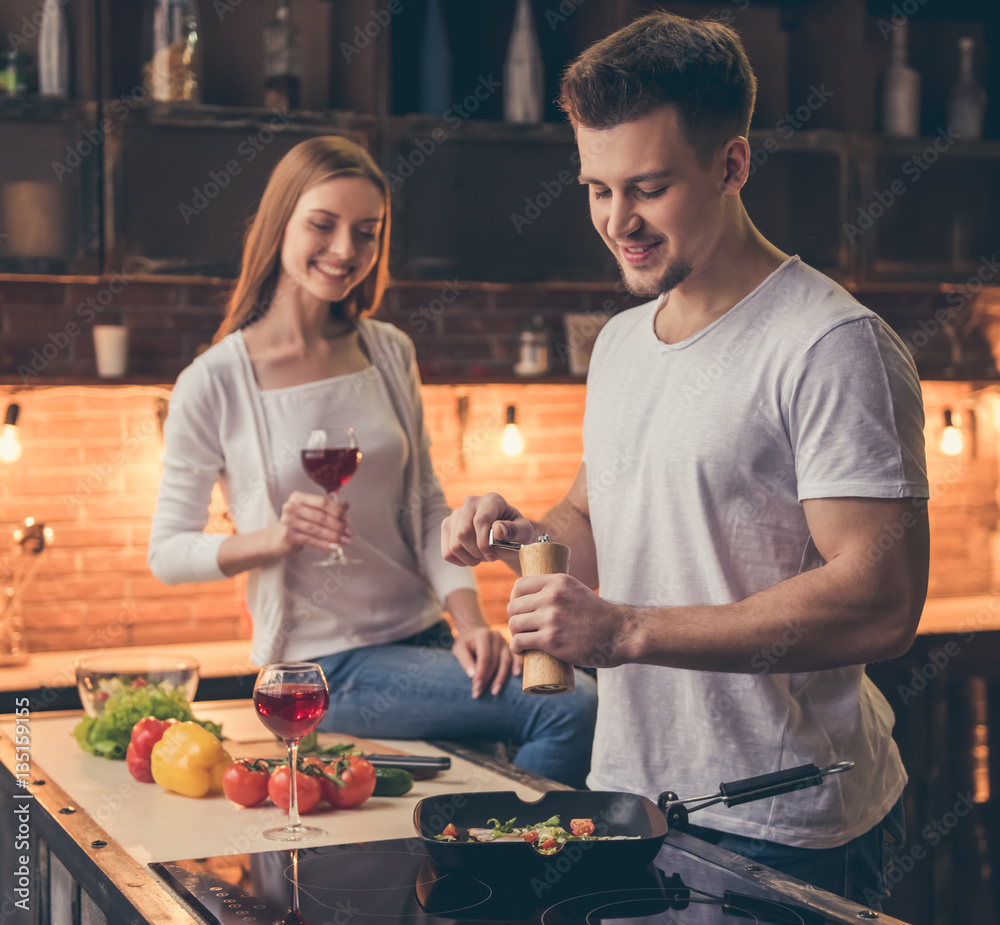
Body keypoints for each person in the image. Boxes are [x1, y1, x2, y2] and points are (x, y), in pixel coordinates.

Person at [441, 11, 929, 908]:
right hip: (637, 802)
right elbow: (595, 525)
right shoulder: (623, 342)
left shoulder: (831, 344)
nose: (617, 221)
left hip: (786, 825)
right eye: (596, 189)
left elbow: (882, 600)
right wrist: (525, 535)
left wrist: (627, 633)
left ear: (732, 164)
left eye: (649, 188)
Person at [147, 135, 597, 788]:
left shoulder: (388, 351)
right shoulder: (215, 381)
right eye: (323, 226)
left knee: (515, 739)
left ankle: (495, 858)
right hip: (326, 664)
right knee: (569, 706)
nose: (344, 252)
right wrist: (273, 538)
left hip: (424, 641)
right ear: (281, 225)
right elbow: (167, 551)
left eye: (367, 233)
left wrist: (469, 622)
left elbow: (426, 508)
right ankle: (521, 865)